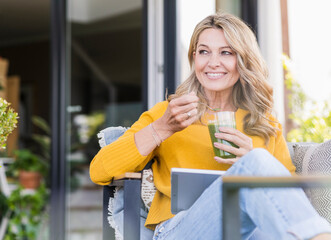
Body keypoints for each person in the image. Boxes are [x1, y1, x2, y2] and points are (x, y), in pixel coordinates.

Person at [90, 12, 331, 239]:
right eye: (204, 52)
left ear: (243, 59)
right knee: (255, 164)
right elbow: (99, 171)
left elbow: (288, 200)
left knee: (257, 173)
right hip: (181, 230)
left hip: (247, 233)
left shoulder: (262, 122)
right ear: (194, 58)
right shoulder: (169, 114)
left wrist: (252, 158)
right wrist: (162, 128)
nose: (213, 62)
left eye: (226, 52)